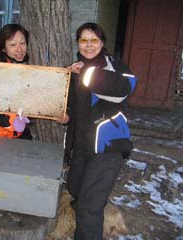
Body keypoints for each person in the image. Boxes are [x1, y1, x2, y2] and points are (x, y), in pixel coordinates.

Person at [62, 22, 137, 240]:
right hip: (81, 147)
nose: (88, 45)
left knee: (89, 207)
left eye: (94, 40)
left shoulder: (114, 66)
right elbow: (70, 106)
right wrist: (65, 115)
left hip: (108, 147)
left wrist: (85, 72)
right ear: (78, 43)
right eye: (83, 40)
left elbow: (125, 88)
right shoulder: (74, 68)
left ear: (102, 43)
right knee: (74, 189)